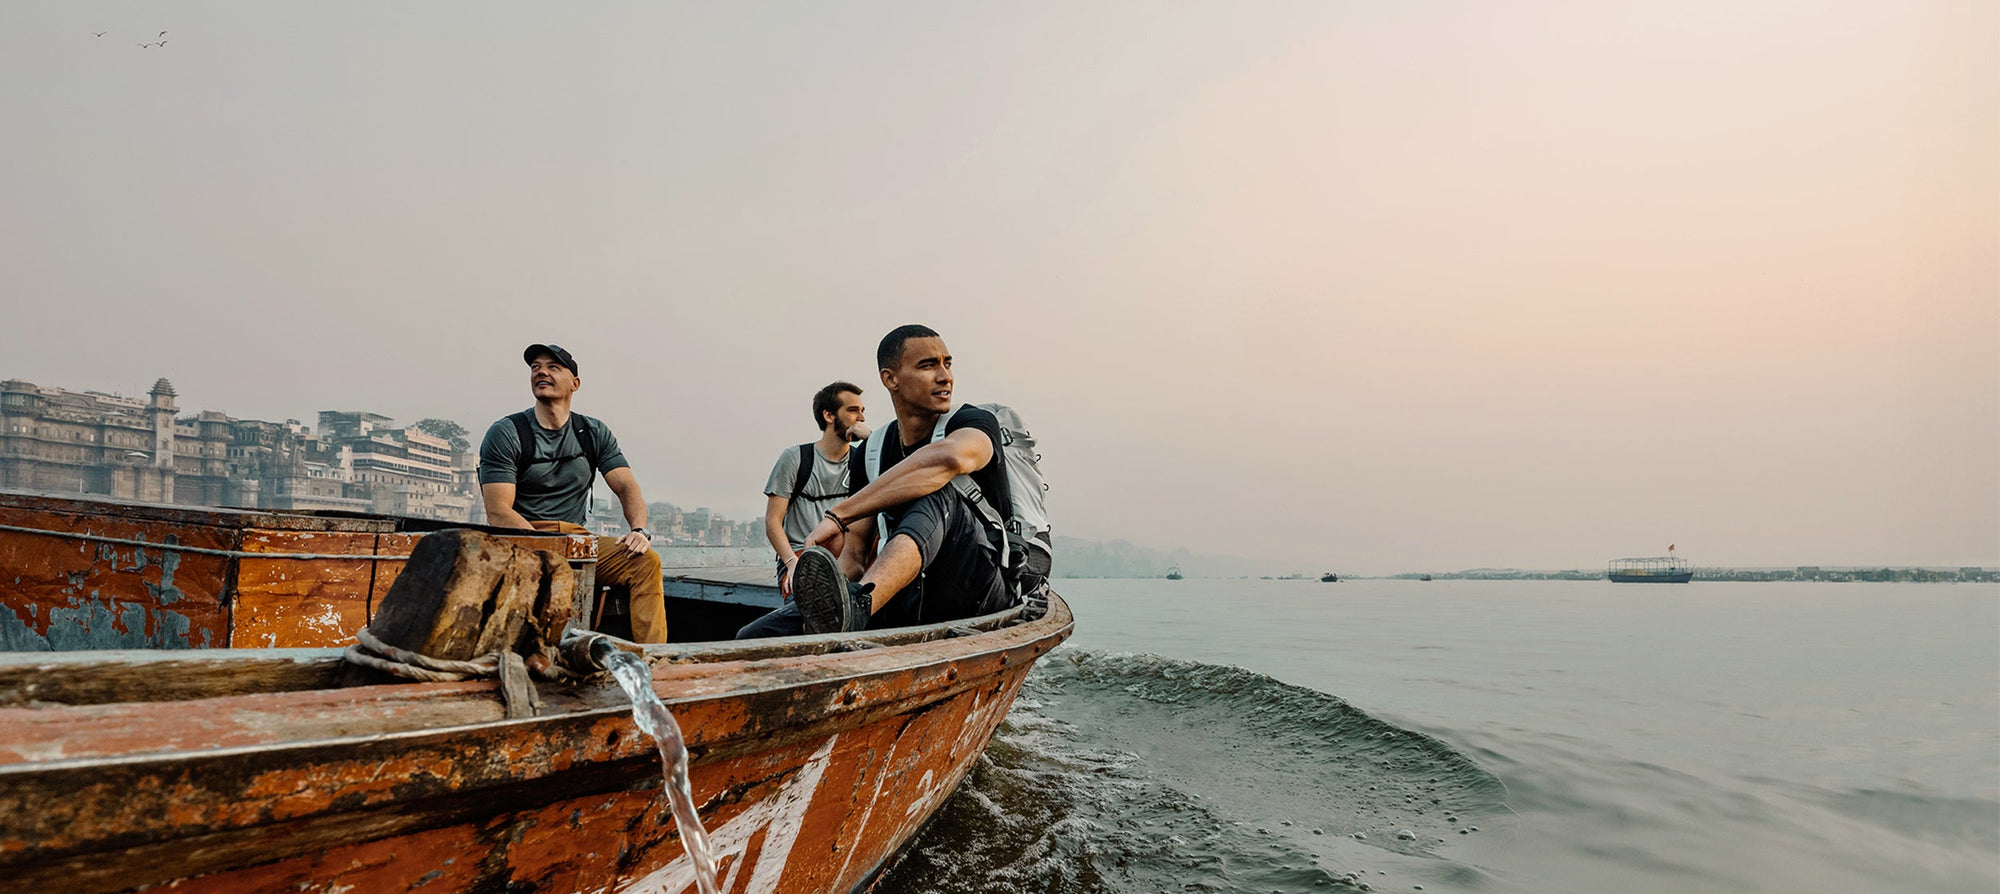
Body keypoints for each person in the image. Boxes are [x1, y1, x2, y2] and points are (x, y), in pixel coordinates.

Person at [738, 325, 1014, 638]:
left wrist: (839, 514)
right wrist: (814, 607)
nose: (944, 376)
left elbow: (950, 460)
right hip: (906, 593)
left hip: (979, 592)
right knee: (754, 635)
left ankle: (860, 607)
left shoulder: (973, 422)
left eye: (947, 364)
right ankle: (849, 610)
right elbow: (855, 556)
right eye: (928, 365)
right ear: (890, 378)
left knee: (938, 491)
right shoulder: (871, 452)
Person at [477, 344, 668, 643]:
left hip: (577, 539)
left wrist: (639, 531)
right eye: (535, 367)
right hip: (526, 537)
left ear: (574, 384)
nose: (541, 371)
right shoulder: (507, 432)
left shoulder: (592, 432)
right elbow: (499, 511)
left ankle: (654, 659)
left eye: (553, 367)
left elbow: (626, 486)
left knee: (646, 562)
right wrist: (543, 552)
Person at [762, 381, 868, 588]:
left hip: (848, 557)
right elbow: (772, 521)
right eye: (853, 411)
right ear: (829, 416)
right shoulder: (796, 458)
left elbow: (896, 483)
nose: (862, 418)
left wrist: (870, 441)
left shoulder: (862, 460)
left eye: (863, 411)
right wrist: (792, 562)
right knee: (812, 603)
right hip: (801, 555)